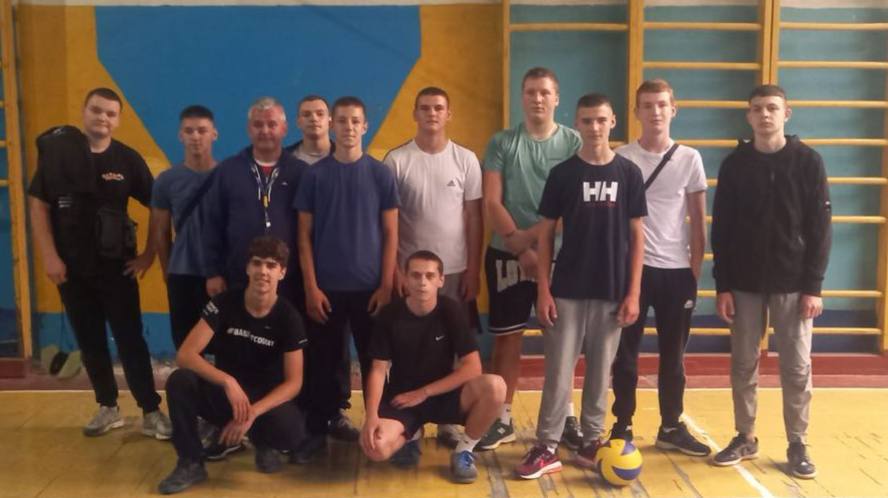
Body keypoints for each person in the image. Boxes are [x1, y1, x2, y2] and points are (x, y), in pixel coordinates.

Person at [515, 93, 646, 479]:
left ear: (613, 122)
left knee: (601, 370)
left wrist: (634, 292)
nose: (594, 127)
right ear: (577, 124)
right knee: (559, 370)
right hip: (567, 288)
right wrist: (543, 289)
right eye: (587, 121)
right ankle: (547, 444)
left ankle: (591, 440)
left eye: (601, 120)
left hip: (612, 290)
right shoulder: (563, 174)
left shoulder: (629, 174)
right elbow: (545, 236)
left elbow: (637, 236)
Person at [28, 87, 171, 439]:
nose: (102, 118)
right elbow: (38, 205)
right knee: (90, 340)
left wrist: (148, 254)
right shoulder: (58, 156)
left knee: (130, 339)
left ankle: (151, 410)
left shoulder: (127, 159)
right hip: (71, 270)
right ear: (84, 111)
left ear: (118, 120)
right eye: (96, 110)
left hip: (117, 270)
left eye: (110, 113)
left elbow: (159, 205)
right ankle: (107, 406)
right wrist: (49, 256)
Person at [711, 84, 831, 479]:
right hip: (743, 285)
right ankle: (744, 436)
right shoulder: (735, 165)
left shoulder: (808, 162)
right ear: (748, 115)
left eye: (772, 108)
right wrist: (723, 285)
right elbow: (722, 229)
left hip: (794, 284)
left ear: (786, 114)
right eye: (758, 109)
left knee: (796, 367)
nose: (765, 115)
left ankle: (797, 442)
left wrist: (814, 286)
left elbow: (820, 229)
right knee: (743, 363)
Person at [479, 67, 583, 451]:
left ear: (556, 98)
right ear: (522, 97)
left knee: (562, 341)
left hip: (559, 255)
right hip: (507, 253)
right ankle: (502, 418)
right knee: (507, 340)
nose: (537, 99)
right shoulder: (503, 142)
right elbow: (492, 201)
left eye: (544, 92)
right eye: (530, 92)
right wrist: (520, 247)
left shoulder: (573, 142)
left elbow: (575, 204)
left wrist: (536, 244)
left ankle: (564, 416)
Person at [157, 236, 308, 494]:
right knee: (180, 381)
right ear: (247, 267)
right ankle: (190, 462)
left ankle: (263, 442)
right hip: (227, 395)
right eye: (257, 263)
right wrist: (227, 381)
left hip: (262, 401)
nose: (263, 271)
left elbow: (294, 383)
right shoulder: (224, 303)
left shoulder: (289, 317)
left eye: (271, 265)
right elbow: (186, 355)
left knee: (292, 433)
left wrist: (252, 413)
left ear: (282, 272)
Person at [609, 79, 711, 456]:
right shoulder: (622, 158)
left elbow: (698, 222)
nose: (655, 111)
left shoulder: (690, 158)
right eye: (647, 105)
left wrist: (693, 273)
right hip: (632, 272)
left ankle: (670, 425)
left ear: (673, 109)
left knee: (673, 357)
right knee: (626, 354)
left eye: (662, 105)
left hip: (676, 272)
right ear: (636, 112)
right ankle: (622, 423)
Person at [294, 96, 399, 461]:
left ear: (365, 126)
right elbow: (303, 237)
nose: (349, 127)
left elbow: (391, 234)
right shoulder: (314, 176)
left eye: (355, 121)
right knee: (323, 362)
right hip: (326, 290)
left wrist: (386, 285)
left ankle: (380, 426)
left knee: (375, 362)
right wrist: (311, 287)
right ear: (332, 126)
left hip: (371, 290)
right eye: (342, 120)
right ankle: (320, 427)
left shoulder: (380, 174)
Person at [383, 86, 483, 451]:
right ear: (415, 114)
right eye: (425, 108)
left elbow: (474, 218)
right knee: (411, 347)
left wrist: (473, 269)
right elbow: (389, 222)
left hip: (453, 269)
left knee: (453, 348)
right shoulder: (397, 160)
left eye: (439, 108)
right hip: (410, 273)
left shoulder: (466, 160)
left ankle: (447, 421)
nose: (432, 114)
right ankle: (411, 416)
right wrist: (395, 269)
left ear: (448, 114)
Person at [360, 250, 505, 483]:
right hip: (403, 398)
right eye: (416, 275)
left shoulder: (451, 311)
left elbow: (473, 368)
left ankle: (464, 451)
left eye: (429, 276)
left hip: (442, 395)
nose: (422, 282)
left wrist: (425, 392)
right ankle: (411, 434)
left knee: (496, 386)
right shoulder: (390, 314)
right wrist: (371, 416)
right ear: (405, 279)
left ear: (441, 280)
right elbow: (377, 370)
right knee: (375, 448)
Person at [202, 97, 306, 307]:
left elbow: (310, 229)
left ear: (284, 129)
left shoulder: (301, 172)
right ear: (249, 129)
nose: (265, 131)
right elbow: (212, 224)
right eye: (258, 125)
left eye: (272, 124)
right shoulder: (228, 171)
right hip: (238, 277)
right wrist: (213, 272)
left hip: (290, 280)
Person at [151, 105, 218, 350]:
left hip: (218, 274)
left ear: (214, 134)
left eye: (202, 130)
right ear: (180, 136)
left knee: (223, 343)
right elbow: (160, 231)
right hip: (182, 274)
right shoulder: (166, 181)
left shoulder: (228, 176)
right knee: (185, 344)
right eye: (189, 131)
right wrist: (167, 271)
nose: (195, 136)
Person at [286, 94, 333, 165]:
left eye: (320, 114)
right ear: (298, 122)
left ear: (330, 122)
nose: (314, 119)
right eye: (306, 115)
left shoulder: (345, 157)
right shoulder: (282, 159)